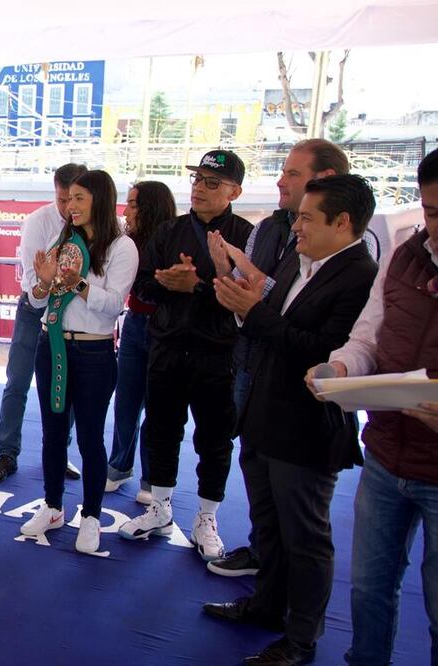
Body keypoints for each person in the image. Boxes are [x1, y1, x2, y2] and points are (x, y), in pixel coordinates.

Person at [202, 174, 378, 666]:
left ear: (342, 222)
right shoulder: (302, 261)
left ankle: (301, 638)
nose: (294, 225)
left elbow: (325, 353)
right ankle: (265, 607)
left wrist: (254, 312)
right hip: (264, 416)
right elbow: (272, 320)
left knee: (304, 538)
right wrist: (242, 290)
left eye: (305, 217)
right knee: (269, 529)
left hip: (305, 429)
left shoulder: (359, 275)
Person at [305, 148, 438, 666]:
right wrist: (339, 370)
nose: (435, 226)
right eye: (430, 211)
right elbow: (367, 338)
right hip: (385, 455)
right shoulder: (403, 257)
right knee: (367, 590)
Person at [208, 138, 350, 578]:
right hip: (253, 365)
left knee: (300, 511)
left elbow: (291, 308)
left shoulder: (350, 256)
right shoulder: (270, 229)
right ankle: (263, 562)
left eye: (291, 172)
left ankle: (292, 607)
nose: (280, 181)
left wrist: (250, 291)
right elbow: (261, 296)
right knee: (258, 479)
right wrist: (229, 276)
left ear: (323, 180)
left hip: (302, 390)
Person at [120, 149, 253, 562]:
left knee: (214, 438)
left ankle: (207, 516)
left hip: (218, 352)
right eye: (197, 179)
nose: (200, 188)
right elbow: (140, 288)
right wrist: (166, 284)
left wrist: (196, 285)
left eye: (212, 183)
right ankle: (159, 507)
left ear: (235, 191)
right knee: (161, 428)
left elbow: (251, 299)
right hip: (167, 347)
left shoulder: (248, 237)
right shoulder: (167, 232)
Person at [20, 170, 138, 553]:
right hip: (50, 346)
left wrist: (79, 283)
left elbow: (113, 305)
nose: (70, 206)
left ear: (99, 201)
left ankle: (90, 516)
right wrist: (43, 281)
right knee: (53, 433)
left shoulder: (122, 248)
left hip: (94, 353)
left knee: (89, 437)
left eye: (79, 199)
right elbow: (37, 301)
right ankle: (53, 506)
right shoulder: (62, 241)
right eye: (68, 199)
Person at [0, 163, 87, 485]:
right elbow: (32, 283)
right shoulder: (38, 222)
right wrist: (49, 285)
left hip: (75, 314)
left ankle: (59, 451)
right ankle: (6, 453)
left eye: (74, 199)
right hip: (35, 310)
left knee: (66, 387)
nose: (68, 207)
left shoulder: (97, 224)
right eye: (61, 199)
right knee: (17, 381)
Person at [105, 181, 176, 503]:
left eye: (133, 204)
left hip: (166, 329)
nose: (127, 210)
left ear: (150, 207)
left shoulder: (174, 237)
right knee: (126, 401)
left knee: (159, 407)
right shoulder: (124, 240)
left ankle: (152, 478)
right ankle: (119, 466)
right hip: (134, 323)